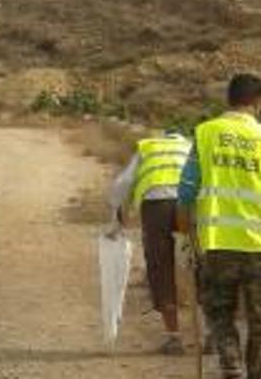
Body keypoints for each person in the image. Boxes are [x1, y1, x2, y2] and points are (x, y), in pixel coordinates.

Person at [177, 73, 261, 379]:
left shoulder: (206, 133)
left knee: (220, 316)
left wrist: (187, 240)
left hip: (217, 246)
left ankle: (232, 370)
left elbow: (186, 193)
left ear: (228, 99)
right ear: (258, 102)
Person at [108, 128, 192, 355]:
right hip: (190, 204)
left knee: (160, 266)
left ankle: (174, 338)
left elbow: (122, 185)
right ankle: (213, 334)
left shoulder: (148, 146)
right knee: (201, 265)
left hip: (157, 205)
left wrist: (117, 219)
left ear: (162, 137)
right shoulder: (192, 146)